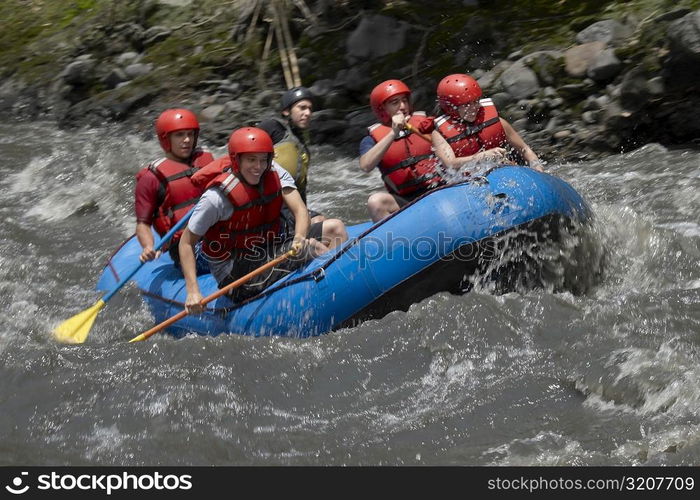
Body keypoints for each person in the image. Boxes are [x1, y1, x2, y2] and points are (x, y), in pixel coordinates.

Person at [179, 127, 348, 313]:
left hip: (269, 246)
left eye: (263, 160)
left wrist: (299, 237)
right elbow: (186, 242)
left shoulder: (274, 172)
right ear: (237, 160)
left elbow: (300, 210)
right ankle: (341, 293)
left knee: (335, 228)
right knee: (310, 247)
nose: (258, 167)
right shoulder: (216, 198)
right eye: (251, 160)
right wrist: (192, 292)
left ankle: (344, 285)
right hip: (235, 271)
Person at [134, 108, 214, 265]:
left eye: (190, 134)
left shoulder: (208, 161)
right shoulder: (151, 178)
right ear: (166, 139)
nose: (187, 140)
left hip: (219, 234)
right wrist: (148, 247)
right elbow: (143, 224)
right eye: (179, 135)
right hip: (187, 246)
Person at [358, 79, 445, 222]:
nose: (402, 106)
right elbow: (366, 165)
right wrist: (393, 133)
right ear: (382, 109)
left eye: (404, 101)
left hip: (440, 189)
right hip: (406, 200)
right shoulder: (371, 139)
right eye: (395, 103)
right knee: (376, 201)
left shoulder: (426, 124)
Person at [430, 73, 544, 174]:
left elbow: (525, 149)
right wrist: (482, 156)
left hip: (507, 170)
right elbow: (450, 163)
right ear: (451, 108)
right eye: (466, 105)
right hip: (468, 182)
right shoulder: (439, 134)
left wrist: (536, 166)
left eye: (475, 102)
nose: (474, 108)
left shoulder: (495, 120)